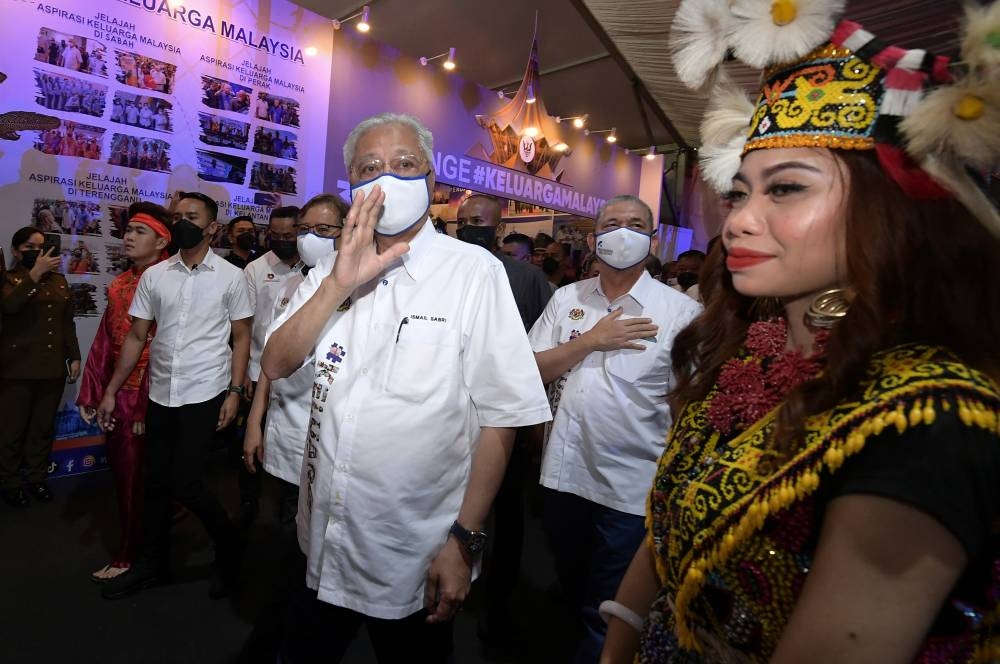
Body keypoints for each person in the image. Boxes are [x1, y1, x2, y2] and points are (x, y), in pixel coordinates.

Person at [601, 6, 1000, 663]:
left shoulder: (929, 421)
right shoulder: (753, 348)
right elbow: (665, 533)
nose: (738, 223)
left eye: (785, 189)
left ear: (888, 207)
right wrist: (619, 638)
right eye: (739, 193)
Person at [264, 112, 551, 662]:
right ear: (353, 186)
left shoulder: (474, 273)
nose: (387, 178)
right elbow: (277, 362)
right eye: (370, 168)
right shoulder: (333, 267)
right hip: (325, 532)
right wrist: (338, 286)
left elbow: (502, 415)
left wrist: (464, 542)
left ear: (430, 180)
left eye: (404, 164)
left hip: (413, 551)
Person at [529, 195, 701, 662]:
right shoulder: (568, 299)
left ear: (650, 239)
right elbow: (529, 372)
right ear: (593, 238)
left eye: (635, 224)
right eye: (611, 223)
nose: (622, 232)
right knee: (567, 584)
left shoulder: (679, 314)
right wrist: (592, 341)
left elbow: (691, 407)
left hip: (629, 491)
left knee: (608, 609)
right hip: (563, 477)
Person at [96, 191, 253, 600]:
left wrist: (235, 392)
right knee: (155, 482)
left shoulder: (232, 278)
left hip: (205, 391)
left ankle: (228, 546)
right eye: (177, 215)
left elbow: (242, 337)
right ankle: (152, 564)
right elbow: (135, 337)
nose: (182, 221)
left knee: (185, 480)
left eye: (192, 216)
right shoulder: (155, 276)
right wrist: (111, 389)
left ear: (211, 227)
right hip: (161, 391)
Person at [238, 195, 347, 663]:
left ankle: (287, 636)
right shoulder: (294, 286)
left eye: (325, 230)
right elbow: (270, 359)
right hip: (285, 429)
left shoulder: (364, 287)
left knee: (308, 547)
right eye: (306, 227)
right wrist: (255, 420)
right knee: (288, 537)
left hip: (328, 439)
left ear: (348, 231)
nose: (309, 238)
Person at [455, 194, 553, 647]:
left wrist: (534, 421)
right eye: (464, 220)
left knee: (507, 514)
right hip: (453, 418)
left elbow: (536, 354)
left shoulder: (527, 278)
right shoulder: (444, 271)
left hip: (506, 421)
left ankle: (498, 601)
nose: (471, 225)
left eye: (480, 221)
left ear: (497, 228)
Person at [76, 205, 171, 581]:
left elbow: (163, 349)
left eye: (138, 231)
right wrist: (94, 391)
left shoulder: (168, 283)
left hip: (154, 394)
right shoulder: (118, 285)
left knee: (146, 477)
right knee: (127, 476)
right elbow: (105, 341)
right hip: (122, 394)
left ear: (162, 241)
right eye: (127, 230)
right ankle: (139, 545)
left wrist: (145, 408)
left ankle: (131, 556)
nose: (128, 236)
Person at [0, 228, 80, 507]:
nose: (37, 250)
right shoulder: (8, 279)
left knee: (42, 429)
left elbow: (66, 323)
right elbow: (9, 307)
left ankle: (36, 478)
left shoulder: (59, 281)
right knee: (12, 430)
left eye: (41, 245)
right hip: (16, 368)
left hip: (51, 368)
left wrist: (74, 356)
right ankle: (10, 481)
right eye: (29, 246)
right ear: (15, 251)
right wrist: (33, 275)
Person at [236, 205, 304, 527]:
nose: (281, 240)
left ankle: (291, 511)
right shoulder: (255, 269)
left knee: (293, 450)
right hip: (258, 372)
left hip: (299, 380)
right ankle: (249, 503)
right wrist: (247, 372)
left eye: (288, 235)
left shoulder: (315, 269)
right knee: (252, 443)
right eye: (275, 235)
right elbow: (246, 326)